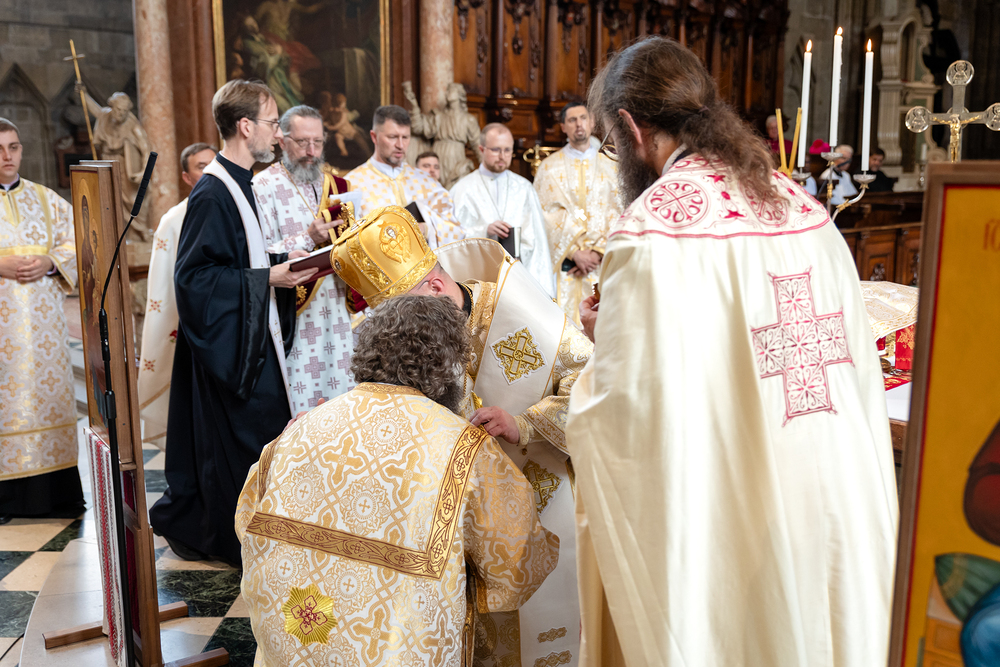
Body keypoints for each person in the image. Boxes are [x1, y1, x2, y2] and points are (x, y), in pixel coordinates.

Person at [569, 37, 898, 667]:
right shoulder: (801, 206)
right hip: (834, 495)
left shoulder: (651, 230)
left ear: (632, 128)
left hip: (738, 513)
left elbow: (627, 413)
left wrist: (601, 341)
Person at [332, 205, 592, 666]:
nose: (403, 331)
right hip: (454, 513)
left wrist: (525, 423)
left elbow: (591, 382)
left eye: (408, 312)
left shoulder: (516, 311)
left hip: (539, 495)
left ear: (435, 287)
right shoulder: (409, 329)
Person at [237, 294, 559, 665]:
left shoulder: (300, 429)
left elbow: (246, 521)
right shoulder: (465, 448)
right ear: (447, 365)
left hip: (294, 640)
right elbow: (517, 564)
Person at [148, 80, 317, 566]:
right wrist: (268, 278)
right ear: (245, 126)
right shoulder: (214, 192)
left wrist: (285, 264)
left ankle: (260, 536)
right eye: (272, 123)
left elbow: (240, 258)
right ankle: (239, 539)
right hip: (232, 348)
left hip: (250, 336)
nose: (278, 134)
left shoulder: (241, 183)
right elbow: (195, 279)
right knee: (247, 444)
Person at [0, 117, 84, 520]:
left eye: (13, 147)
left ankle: (56, 497)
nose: (7, 156)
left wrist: (51, 261)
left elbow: (78, 239)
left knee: (47, 403)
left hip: (44, 333)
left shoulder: (46, 199)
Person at [253, 105, 356, 414]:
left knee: (342, 399)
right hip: (294, 310)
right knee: (301, 399)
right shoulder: (263, 186)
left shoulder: (337, 186)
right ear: (282, 140)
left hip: (337, 307)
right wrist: (308, 237)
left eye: (318, 142)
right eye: (302, 142)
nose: (311, 151)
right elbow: (258, 253)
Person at [138, 142, 218, 450]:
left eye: (213, 164)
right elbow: (164, 288)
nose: (210, 172)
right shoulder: (174, 220)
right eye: (201, 167)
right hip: (191, 328)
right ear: (186, 177)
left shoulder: (236, 207)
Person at [534, 102, 621, 326]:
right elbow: (543, 214)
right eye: (572, 120)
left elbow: (621, 210)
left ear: (592, 122)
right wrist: (574, 252)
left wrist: (598, 251)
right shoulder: (549, 168)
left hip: (604, 263)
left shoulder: (613, 166)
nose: (579, 124)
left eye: (583, 118)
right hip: (566, 266)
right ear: (563, 127)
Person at [450, 123, 556, 297]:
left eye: (507, 150)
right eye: (496, 150)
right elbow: (450, 238)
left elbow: (538, 243)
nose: (502, 156)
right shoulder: (462, 189)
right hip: (478, 280)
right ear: (481, 149)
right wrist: (485, 230)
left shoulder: (524, 188)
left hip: (518, 278)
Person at [346, 105, 464, 249]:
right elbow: (348, 244)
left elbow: (456, 231)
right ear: (374, 137)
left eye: (406, 137)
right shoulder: (352, 183)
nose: (400, 145)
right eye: (392, 137)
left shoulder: (427, 182)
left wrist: (426, 229)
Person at [403, 81, 482, 188]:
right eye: (447, 90)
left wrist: (484, 166)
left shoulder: (468, 119)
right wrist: (414, 104)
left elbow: (477, 144)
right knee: (434, 187)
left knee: (456, 188)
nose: (447, 93)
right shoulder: (439, 116)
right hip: (438, 154)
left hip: (456, 157)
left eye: (451, 90)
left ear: (459, 94)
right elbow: (419, 128)